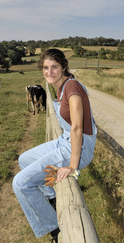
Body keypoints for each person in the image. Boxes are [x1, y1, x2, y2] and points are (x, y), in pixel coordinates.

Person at [12, 48, 97, 242]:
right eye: (45, 68)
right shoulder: (62, 86)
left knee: (20, 184)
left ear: (64, 67)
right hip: (65, 140)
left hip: (78, 147)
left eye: (54, 67)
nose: (49, 72)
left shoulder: (72, 87)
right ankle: (52, 197)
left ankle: (56, 230)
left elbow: (77, 127)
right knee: (24, 159)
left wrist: (72, 166)